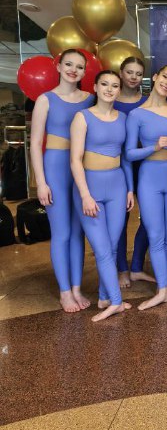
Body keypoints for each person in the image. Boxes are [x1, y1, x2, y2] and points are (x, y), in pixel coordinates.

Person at [30, 49, 94, 312]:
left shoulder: (90, 99)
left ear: (84, 71)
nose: (73, 70)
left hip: (82, 169)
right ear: (58, 66)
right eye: (68, 64)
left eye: (79, 67)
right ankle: (64, 292)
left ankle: (77, 288)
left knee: (78, 232)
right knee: (62, 233)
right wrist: (41, 182)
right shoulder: (45, 100)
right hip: (55, 168)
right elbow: (35, 144)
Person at [125, 65, 167, 310]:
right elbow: (129, 154)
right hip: (149, 179)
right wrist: (154, 146)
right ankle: (162, 289)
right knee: (156, 235)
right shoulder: (136, 115)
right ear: (154, 77)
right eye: (165, 77)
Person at [70, 70, 134, 321]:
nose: (109, 89)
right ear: (95, 87)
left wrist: (129, 189)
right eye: (105, 84)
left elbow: (125, 157)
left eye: (114, 85)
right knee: (103, 249)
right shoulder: (82, 117)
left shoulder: (123, 118)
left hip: (117, 186)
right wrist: (85, 195)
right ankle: (116, 301)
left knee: (113, 245)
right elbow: (75, 160)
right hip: (90, 188)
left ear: (119, 90)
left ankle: (104, 297)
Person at [114, 56, 152, 289]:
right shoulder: (109, 99)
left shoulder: (148, 103)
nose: (134, 77)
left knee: (150, 218)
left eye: (138, 73)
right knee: (120, 219)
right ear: (121, 72)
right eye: (129, 72)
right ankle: (121, 268)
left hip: (145, 165)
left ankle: (137, 265)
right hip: (118, 166)